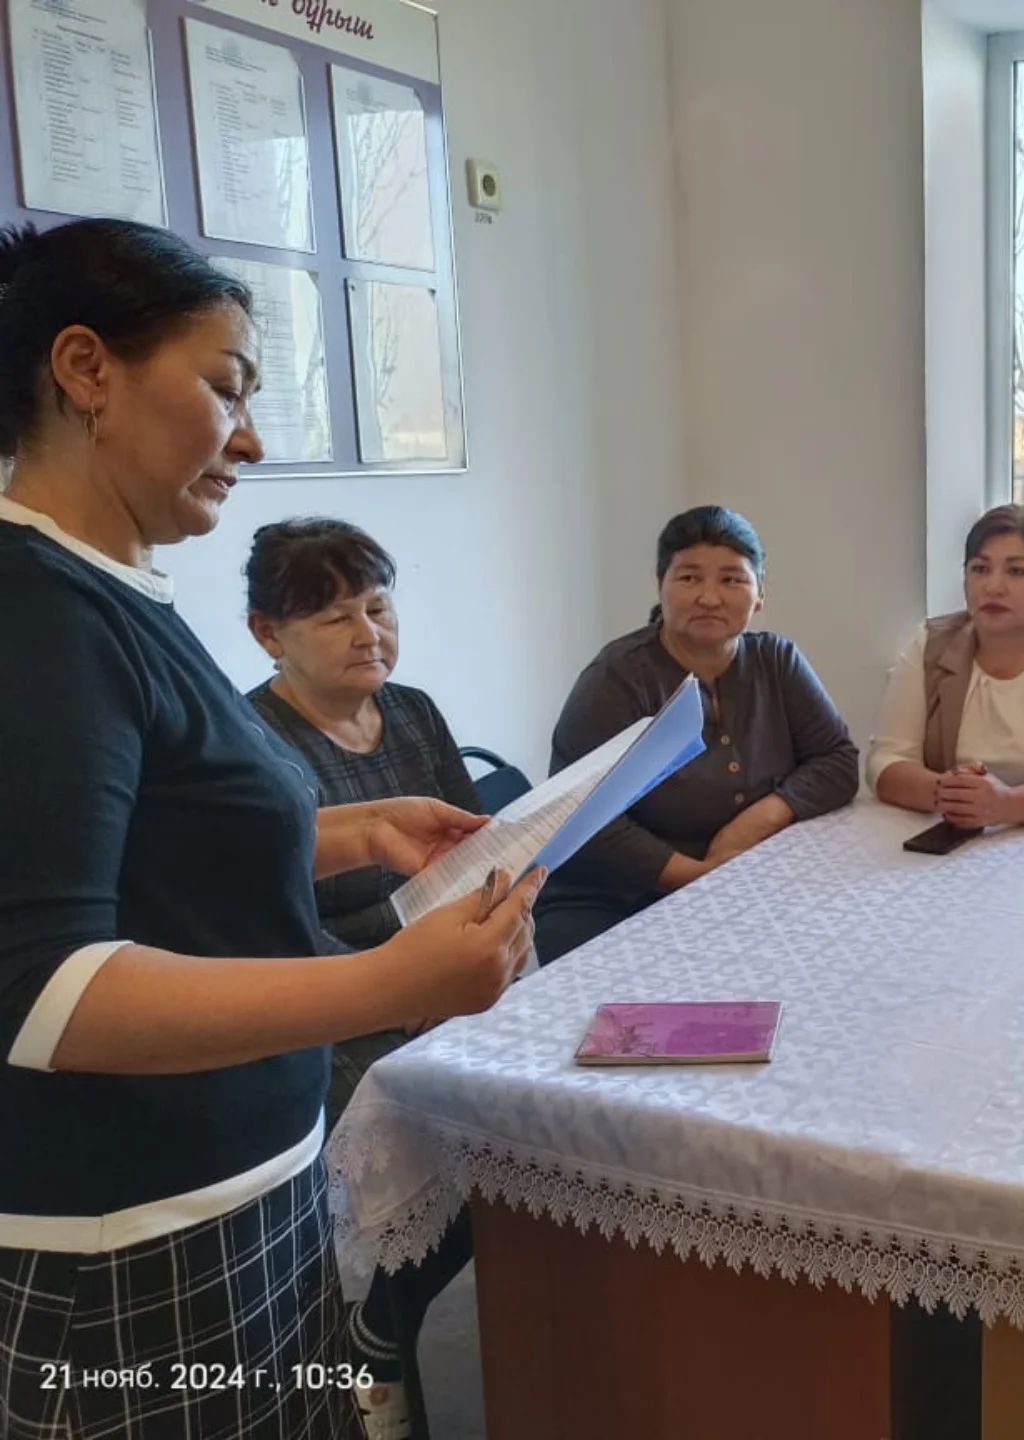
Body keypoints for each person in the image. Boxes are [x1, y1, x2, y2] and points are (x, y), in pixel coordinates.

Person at [0, 219, 542, 1440]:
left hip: (242, 1191)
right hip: (132, 1241)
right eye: (224, 389)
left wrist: (359, 830)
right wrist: (386, 984)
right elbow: (45, 990)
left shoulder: (117, 592)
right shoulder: (35, 616)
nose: (249, 438)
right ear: (86, 370)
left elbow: (160, 850)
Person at [244, 517, 483, 1433]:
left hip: (442, 971)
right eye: (334, 617)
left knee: (548, 1124)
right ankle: (378, 1324)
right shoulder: (251, 740)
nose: (367, 633)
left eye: (378, 608)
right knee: (420, 1135)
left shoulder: (413, 710)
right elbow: (263, 924)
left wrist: (466, 958)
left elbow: (475, 848)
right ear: (268, 634)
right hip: (332, 995)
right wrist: (399, 984)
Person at [535, 504, 859, 963]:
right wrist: (697, 878)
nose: (709, 597)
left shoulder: (777, 662)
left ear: (760, 594)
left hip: (739, 877)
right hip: (613, 899)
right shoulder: (617, 679)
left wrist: (759, 819)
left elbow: (838, 761)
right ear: (661, 586)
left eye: (732, 580)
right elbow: (581, 816)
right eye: (689, 578)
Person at [868, 504, 1024, 827]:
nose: (993, 587)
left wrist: (1006, 805)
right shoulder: (929, 646)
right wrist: (950, 793)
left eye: (1016, 571)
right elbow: (885, 760)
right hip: (951, 834)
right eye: (980, 569)